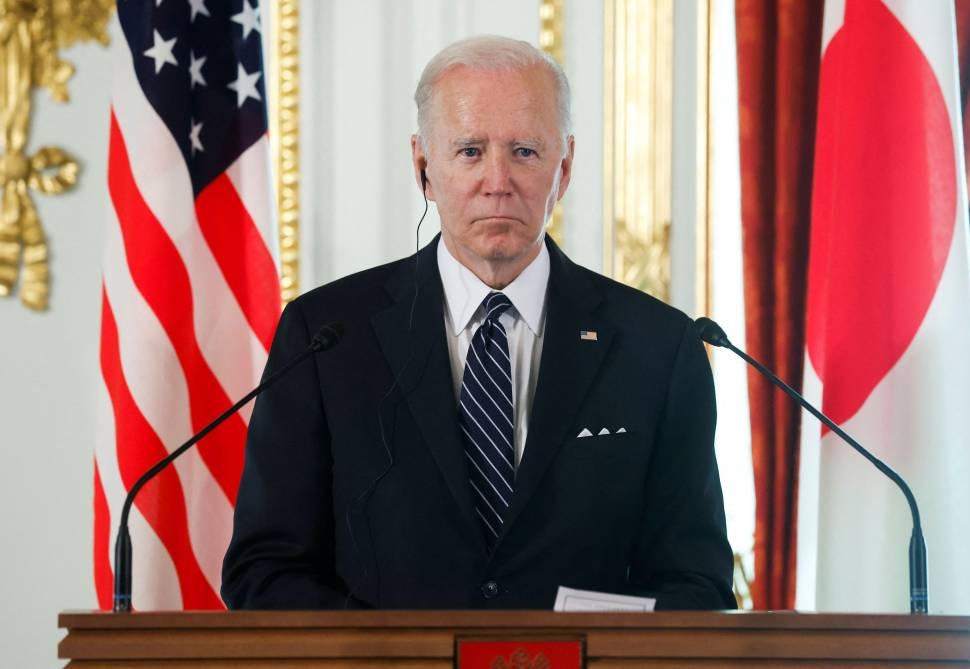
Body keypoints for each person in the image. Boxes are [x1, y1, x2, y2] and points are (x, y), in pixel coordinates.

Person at [222, 35, 736, 610]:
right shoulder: (326, 335)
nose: (498, 181)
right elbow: (264, 571)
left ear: (563, 168)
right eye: (469, 151)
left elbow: (698, 586)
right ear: (423, 166)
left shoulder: (660, 348)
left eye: (524, 151)